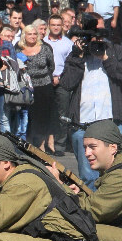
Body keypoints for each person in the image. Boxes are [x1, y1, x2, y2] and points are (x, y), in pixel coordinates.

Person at [60, 14, 122, 190]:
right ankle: (91, 211)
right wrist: (77, 57)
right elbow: (67, 83)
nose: (96, 39)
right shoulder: (77, 53)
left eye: (99, 34)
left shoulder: (114, 49)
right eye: (92, 35)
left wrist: (106, 58)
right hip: (83, 123)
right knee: (88, 175)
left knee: (117, 169)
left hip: (111, 121)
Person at [17, 24, 56, 152]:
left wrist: (42, 76)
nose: (33, 36)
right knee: (29, 118)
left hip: (44, 87)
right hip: (26, 88)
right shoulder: (18, 49)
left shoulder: (45, 48)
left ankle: (41, 146)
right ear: (24, 35)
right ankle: (28, 145)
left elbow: (51, 66)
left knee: (43, 118)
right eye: (30, 34)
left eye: (35, 34)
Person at [44, 14, 74, 155]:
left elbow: (71, 65)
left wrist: (60, 78)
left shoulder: (68, 43)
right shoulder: (42, 42)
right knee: (48, 114)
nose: (56, 27)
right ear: (49, 26)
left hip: (62, 81)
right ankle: (47, 145)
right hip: (46, 81)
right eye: (53, 25)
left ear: (62, 26)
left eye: (58, 25)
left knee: (63, 115)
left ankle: (60, 145)